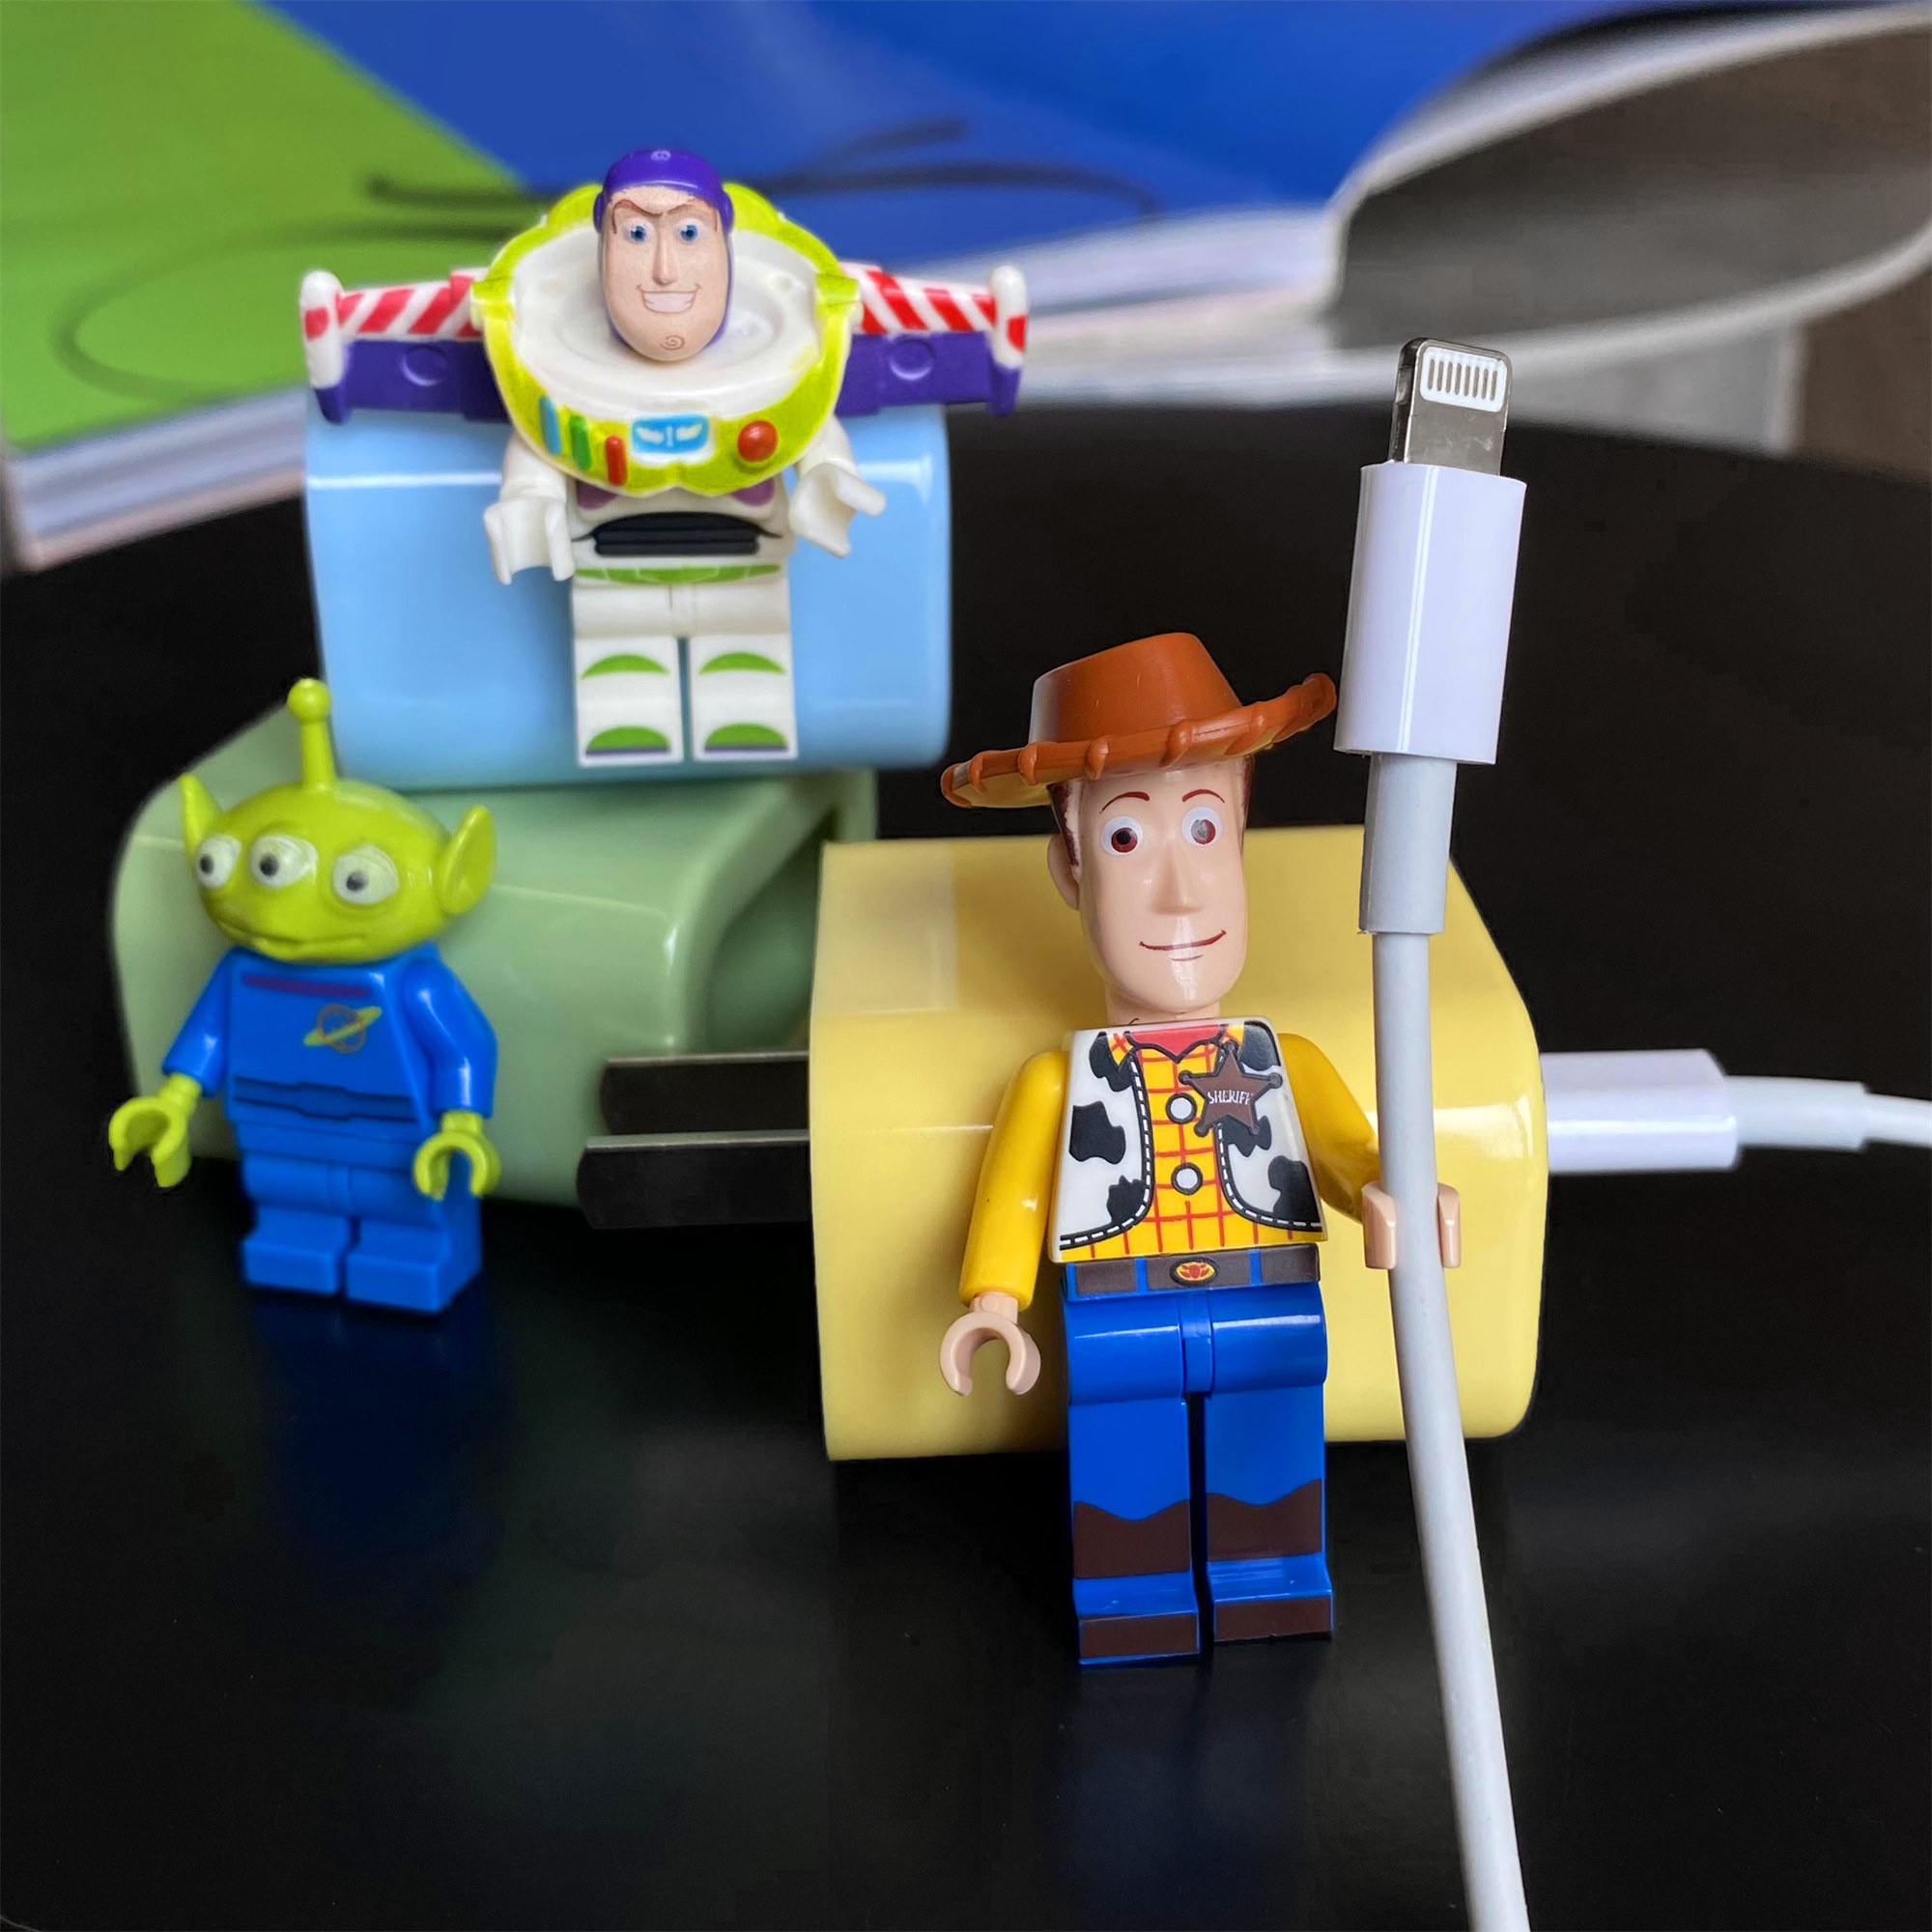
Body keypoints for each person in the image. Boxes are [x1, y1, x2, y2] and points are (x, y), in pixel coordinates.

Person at [938, 631, 1461, 1662]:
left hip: (1268, 1297)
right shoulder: (1056, 1084)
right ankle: (1130, 1594)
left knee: (1269, 1446)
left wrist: (1395, 1188)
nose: (1181, 892)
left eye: (1207, 827)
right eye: (1128, 837)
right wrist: (992, 1302)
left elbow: (1348, 1153)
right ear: (1070, 865)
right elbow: (1018, 1198)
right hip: (1115, 1305)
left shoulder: (1284, 1061)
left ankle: (1273, 1578)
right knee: (1123, 1452)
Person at [484, 148, 884, 766]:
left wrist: (829, 474)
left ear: (724, 239)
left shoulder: (779, 369)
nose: (664, 270)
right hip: (610, 556)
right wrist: (528, 498)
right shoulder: (561, 377)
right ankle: (627, 733)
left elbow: (813, 428)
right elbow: (535, 444)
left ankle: (745, 730)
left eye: (689, 233)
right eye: (637, 234)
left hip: (745, 551)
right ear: (603, 244)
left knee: (747, 654)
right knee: (618, 657)